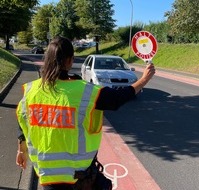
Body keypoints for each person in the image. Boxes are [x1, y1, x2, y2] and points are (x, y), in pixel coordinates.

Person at [15, 36, 155, 190]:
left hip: (46, 177)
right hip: (78, 179)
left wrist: (21, 150)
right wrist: (144, 79)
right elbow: (116, 99)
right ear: (70, 61)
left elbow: (22, 120)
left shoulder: (30, 91)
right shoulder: (85, 92)